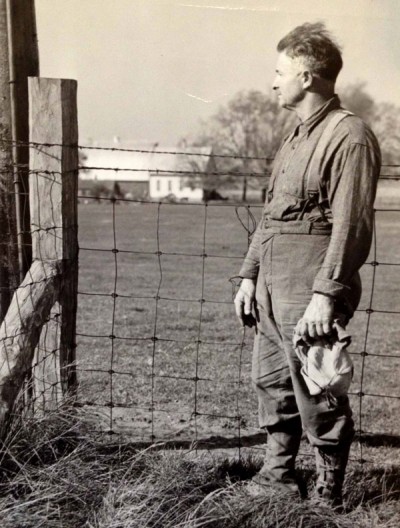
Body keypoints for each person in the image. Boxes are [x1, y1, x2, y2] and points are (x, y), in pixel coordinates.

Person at [234, 22, 381, 506]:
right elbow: (272, 215)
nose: (273, 82)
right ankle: (276, 477)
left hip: (309, 280)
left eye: (281, 72)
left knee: (317, 385)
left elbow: (352, 225)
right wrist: (248, 276)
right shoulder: (294, 137)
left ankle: (327, 490)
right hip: (272, 281)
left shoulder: (349, 136)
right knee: (272, 381)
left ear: (309, 77)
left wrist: (326, 293)